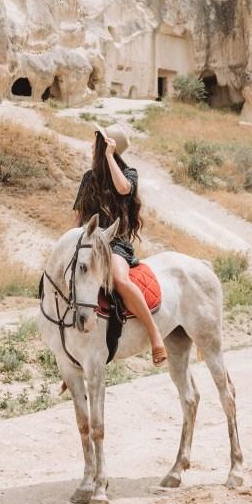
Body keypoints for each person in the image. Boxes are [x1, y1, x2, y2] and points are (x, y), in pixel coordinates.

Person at [73, 123, 167, 366]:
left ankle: (155, 335)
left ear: (107, 146)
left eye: (98, 141)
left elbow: (124, 189)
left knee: (119, 279)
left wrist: (109, 156)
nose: (92, 146)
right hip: (89, 242)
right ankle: (71, 352)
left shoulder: (129, 174)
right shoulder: (88, 178)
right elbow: (79, 216)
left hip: (115, 244)